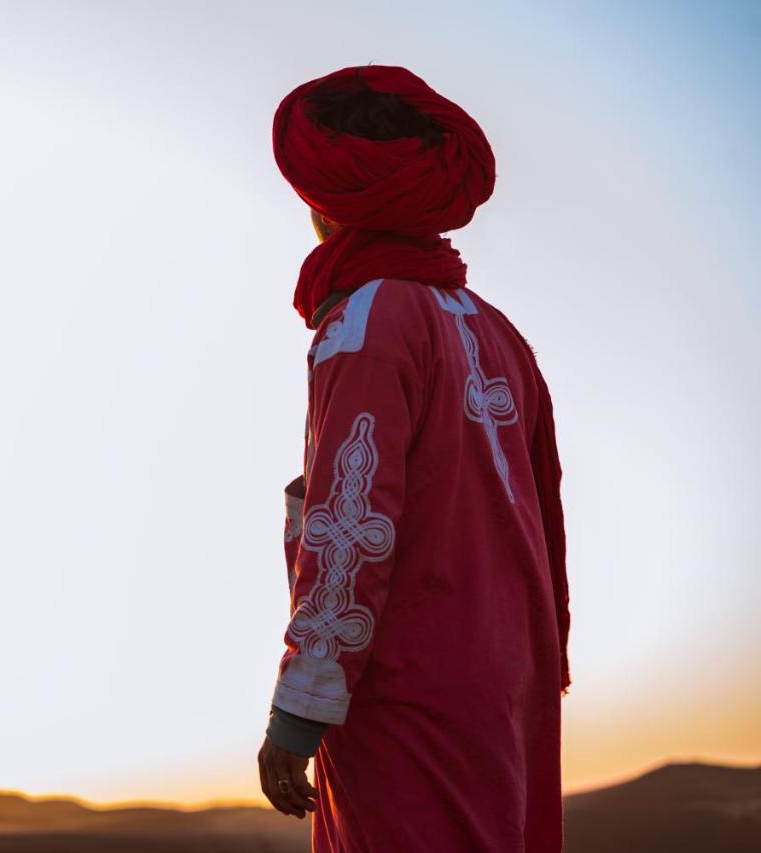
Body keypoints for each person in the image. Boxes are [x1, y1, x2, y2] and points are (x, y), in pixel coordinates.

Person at [256, 64, 571, 853]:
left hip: (406, 695)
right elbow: (544, 522)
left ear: (327, 201)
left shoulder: (367, 318)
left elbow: (353, 515)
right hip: (507, 688)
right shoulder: (498, 333)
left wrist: (304, 701)